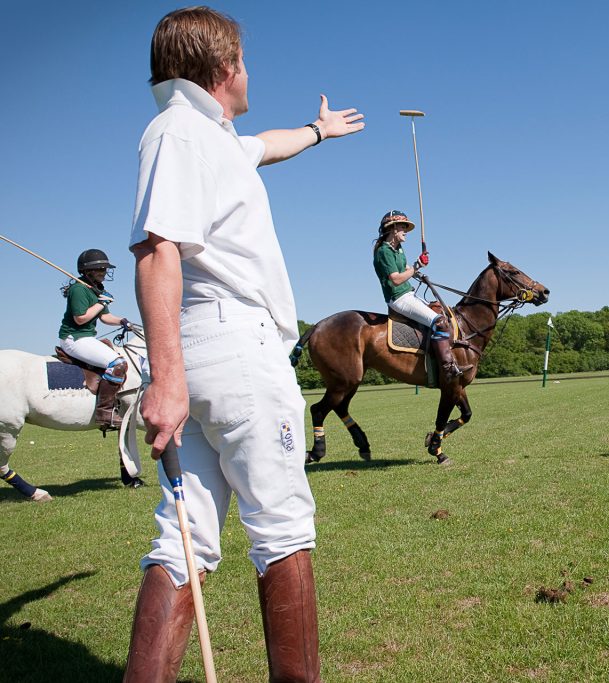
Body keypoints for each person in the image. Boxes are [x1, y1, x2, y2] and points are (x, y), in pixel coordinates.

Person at [125, 7, 363, 681]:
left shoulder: (213, 136)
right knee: (283, 527)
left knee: (185, 536)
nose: (249, 73)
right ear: (225, 69)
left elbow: (269, 144)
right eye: (245, 63)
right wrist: (165, 380)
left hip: (208, 360)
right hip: (233, 353)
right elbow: (155, 251)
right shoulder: (177, 133)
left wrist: (319, 130)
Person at [373, 209, 463, 380]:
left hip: (409, 294)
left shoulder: (398, 249)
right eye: (403, 227)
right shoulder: (384, 251)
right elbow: (396, 280)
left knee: (442, 314)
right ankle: (447, 368)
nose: (406, 231)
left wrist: (418, 267)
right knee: (440, 322)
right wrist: (417, 267)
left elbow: (407, 270)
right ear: (392, 228)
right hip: (398, 298)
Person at [58, 249, 129, 431]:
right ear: (90, 271)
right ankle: (105, 412)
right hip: (74, 338)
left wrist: (122, 320)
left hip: (86, 338)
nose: (105, 273)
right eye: (102, 269)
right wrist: (101, 303)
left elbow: (105, 317)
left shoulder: (97, 289)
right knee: (118, 364)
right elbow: (80, 318)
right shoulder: (79, 289)